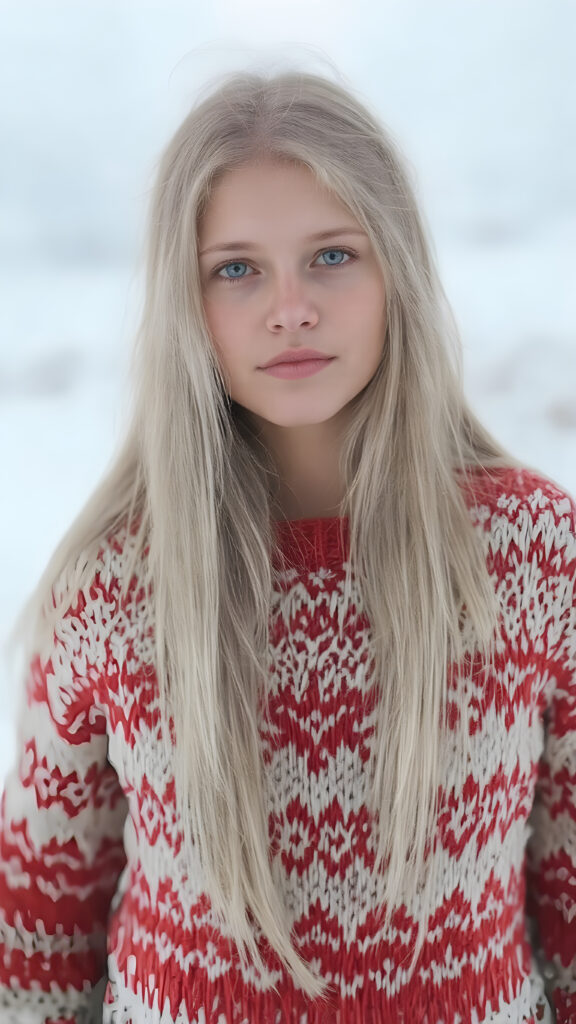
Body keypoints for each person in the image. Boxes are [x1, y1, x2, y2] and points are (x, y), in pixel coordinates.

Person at [0, 65, 574, 1024]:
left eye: (333, 256)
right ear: (189, 304)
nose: (290, 307)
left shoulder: (532, 553)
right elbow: (39, 941)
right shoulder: (114, 581)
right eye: (237, 268)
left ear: (397, 266)